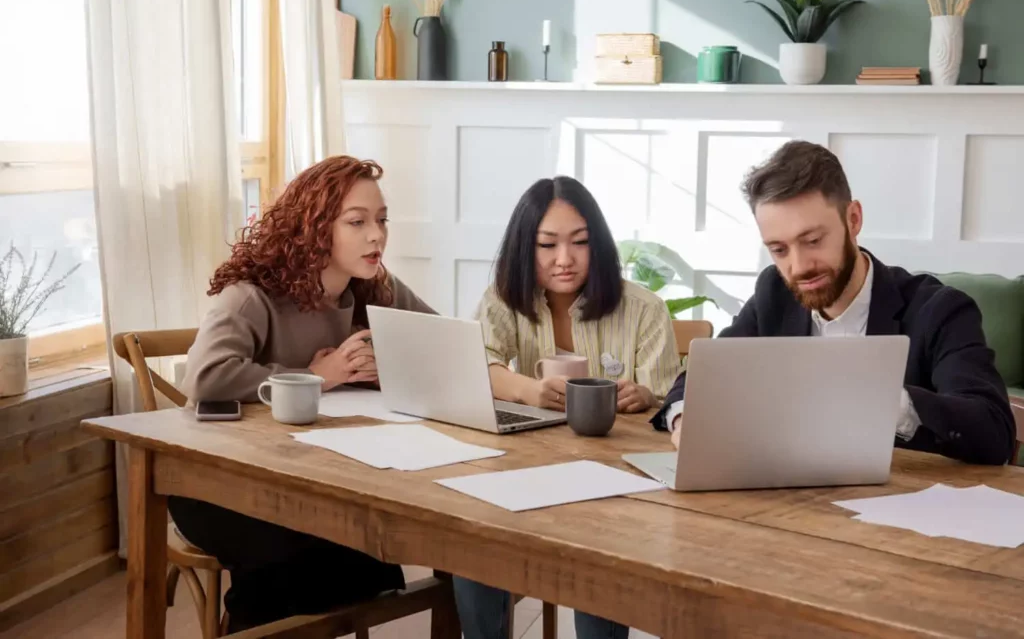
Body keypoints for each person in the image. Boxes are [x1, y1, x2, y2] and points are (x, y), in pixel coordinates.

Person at [173, 155, 435, 631]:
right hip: (215, 483)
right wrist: (318, 376)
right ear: (314, 227)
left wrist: (388, 365)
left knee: (368, 553)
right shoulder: (251, 295)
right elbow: (205, 377)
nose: (376, 235)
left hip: (305, 477)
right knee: (335, 555)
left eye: (381, 220)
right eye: (357, 222)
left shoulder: (376, 287)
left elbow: (439, 343)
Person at [651, 140, 1016, 466]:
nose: (798, 267)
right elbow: (702, 375)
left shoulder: (939, 310)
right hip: (786, 502)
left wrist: (883, 398)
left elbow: (994, 432)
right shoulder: (773, 294)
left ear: (853, 219)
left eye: (812, 240)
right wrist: (686, 420)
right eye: (779, 250)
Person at [453, 176, 682, 639]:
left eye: (580, 243)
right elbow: (475, 363)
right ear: (525, 247)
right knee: (472, 543)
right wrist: (526, 390)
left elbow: (673, 400)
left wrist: (647, 399)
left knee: (596, 561)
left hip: (614, 486)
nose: (565, 259)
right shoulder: (505, 300)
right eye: (547, 245)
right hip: (525, 473)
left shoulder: (643, 308)